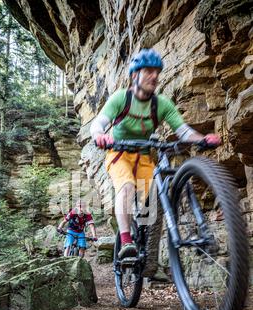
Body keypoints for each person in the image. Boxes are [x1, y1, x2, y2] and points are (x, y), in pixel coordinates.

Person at [90, 48, 221, 260]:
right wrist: (99, 136)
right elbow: (99, 123)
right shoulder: (121, 99)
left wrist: (202, 139)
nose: (155, 76)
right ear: (135, 75)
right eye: (149, 71)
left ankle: (148, 256)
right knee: (126, 187)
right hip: (119, 154)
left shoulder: (161, 104)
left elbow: (183, 131)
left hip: (144, 156)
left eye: (157, 72)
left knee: (155, 202)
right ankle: (126, 242)